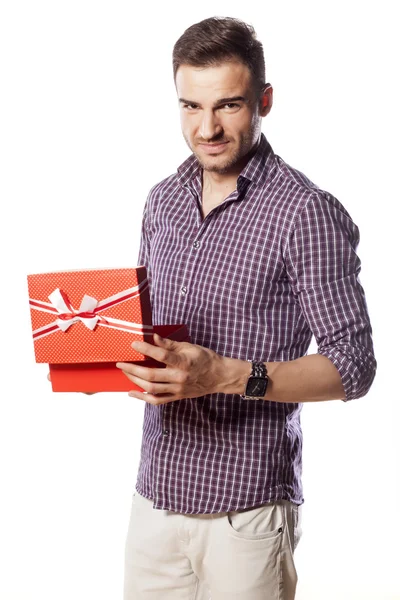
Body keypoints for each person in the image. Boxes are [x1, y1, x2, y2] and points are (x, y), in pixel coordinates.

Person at [116, 16, 377, 600]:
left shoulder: (306, 213)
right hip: (154, 499)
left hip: (247, 513)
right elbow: (148, 331)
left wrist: (228, 375)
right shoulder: (161, 201)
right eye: (190, 106)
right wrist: (92, 355)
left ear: (264, 100)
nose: (206, 128)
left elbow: (355, 366)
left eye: (228, 106)